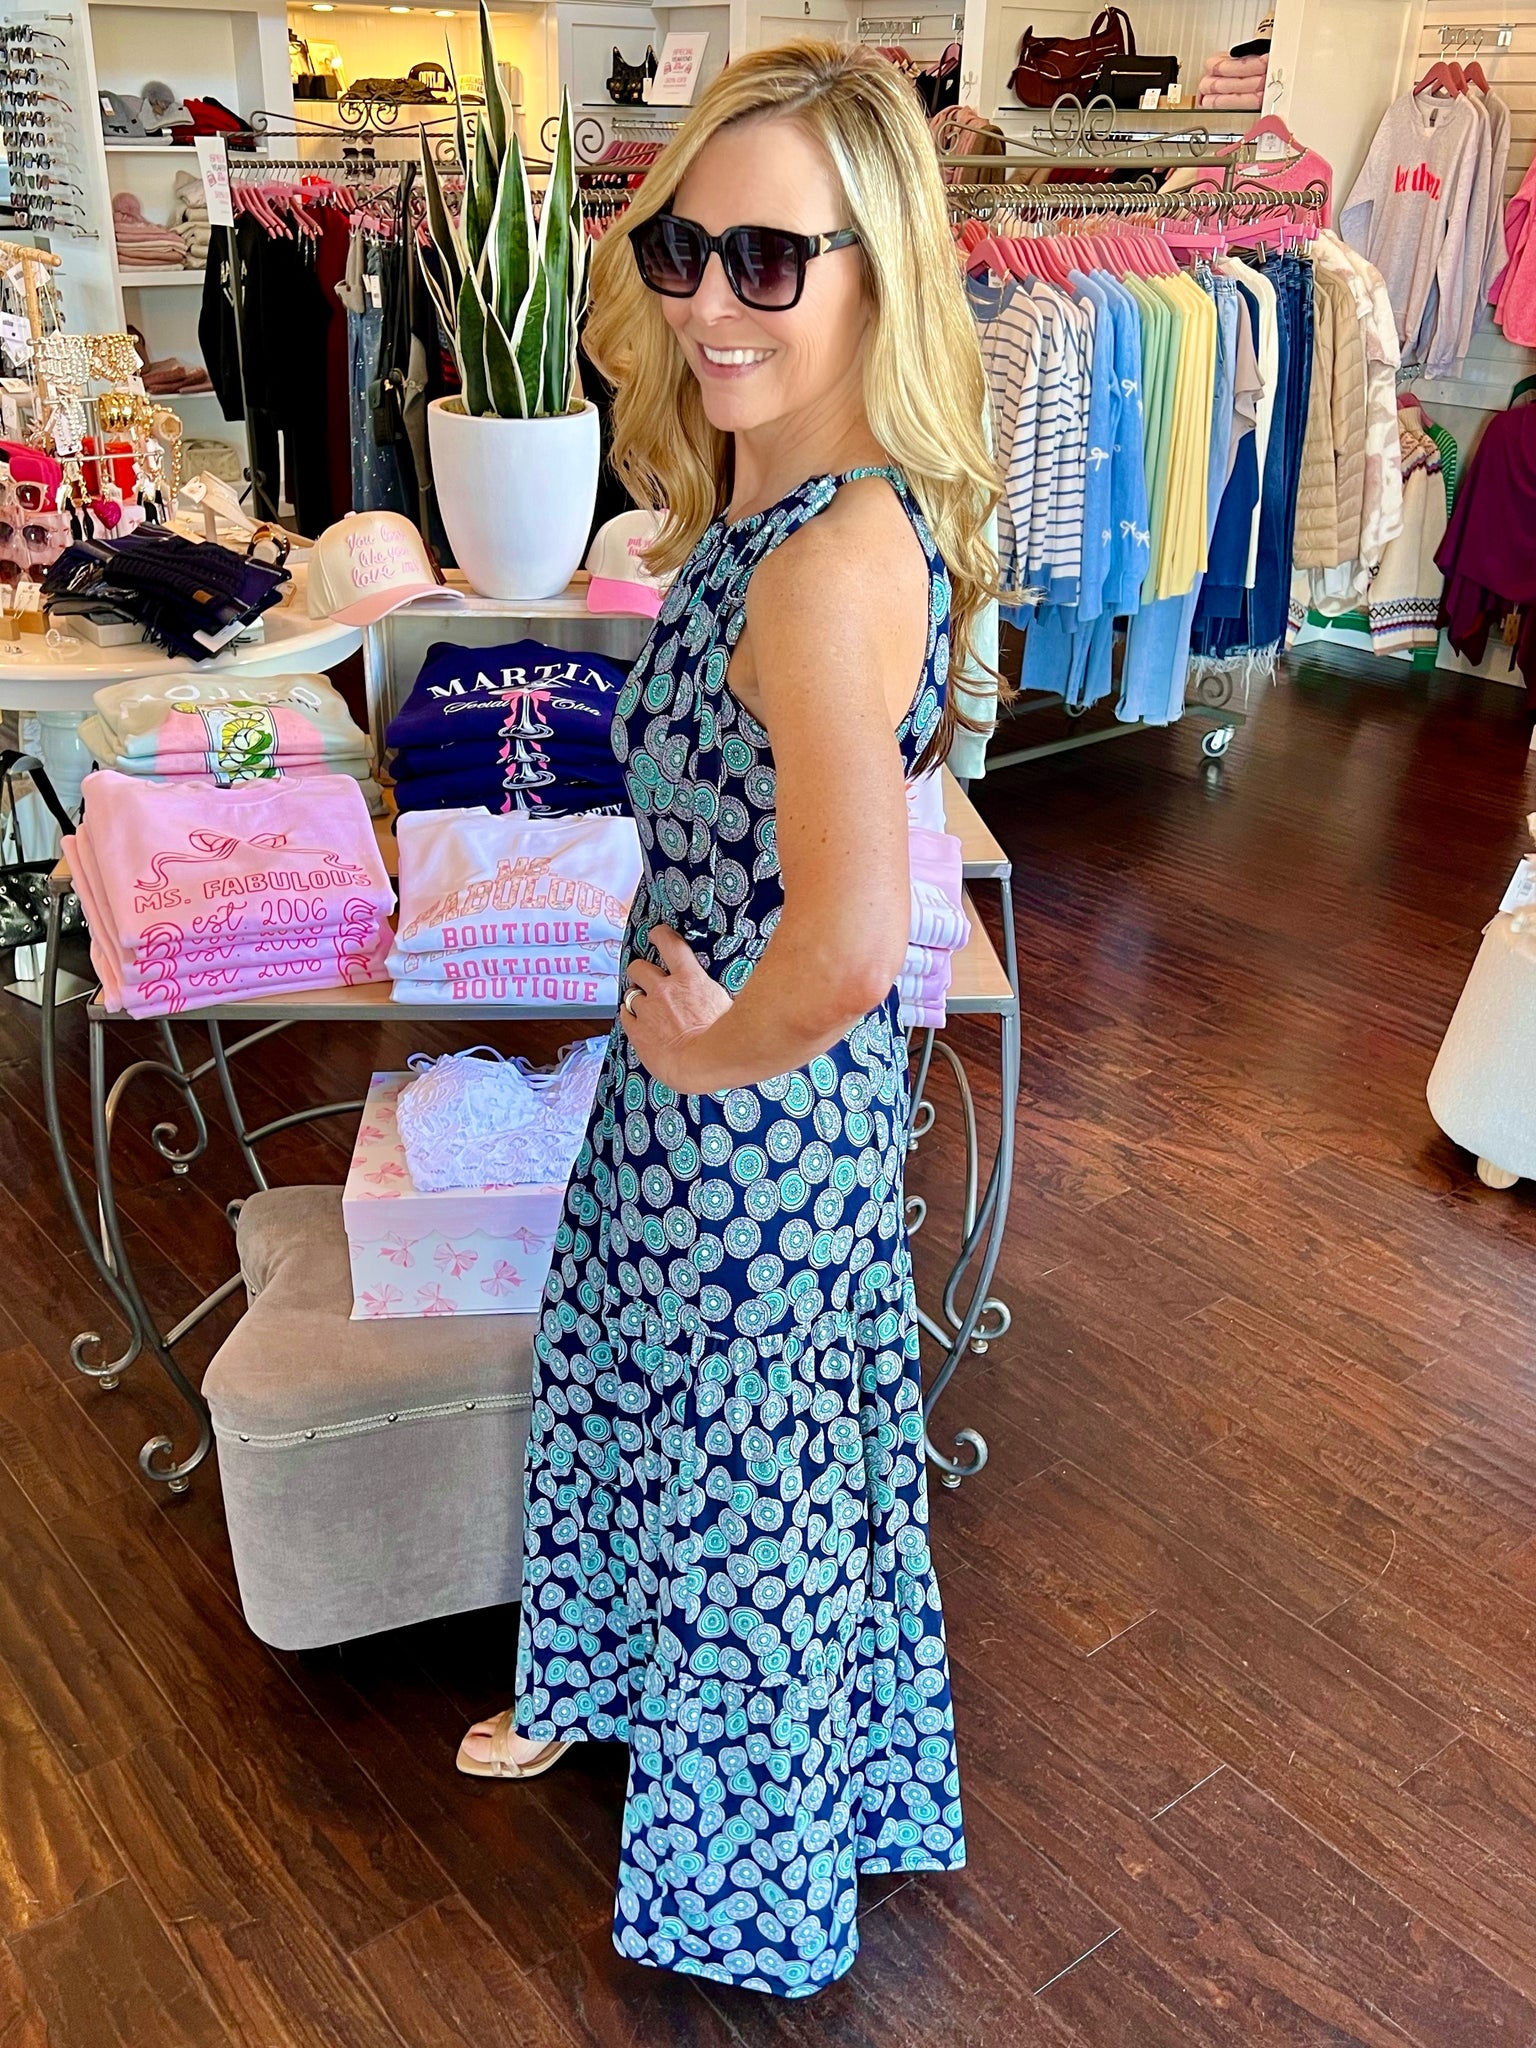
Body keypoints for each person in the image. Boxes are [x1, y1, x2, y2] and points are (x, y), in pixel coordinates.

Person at [457, 38, 999, 1997]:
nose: (709, 303)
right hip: (727, 1095)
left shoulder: (825, 561)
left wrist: (703, 1052)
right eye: (684, 250)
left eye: (771, 261)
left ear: (878, 273)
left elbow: (851, 939)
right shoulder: (784, 505)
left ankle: (745, 1893)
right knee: (679, 1417)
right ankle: (626, 1694)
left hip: (747, 1113)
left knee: (748, 1488)